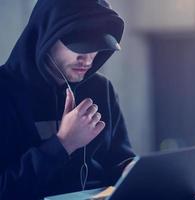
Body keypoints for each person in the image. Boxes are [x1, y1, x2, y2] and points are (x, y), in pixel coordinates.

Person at [0, 0, 135, 199]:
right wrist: (64, 143)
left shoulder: (101, 89)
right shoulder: (5, 91)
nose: (88, 59)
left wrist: (129, 169)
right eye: (79, 46)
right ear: (45, 36)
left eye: (97, 47)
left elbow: (119, 158)